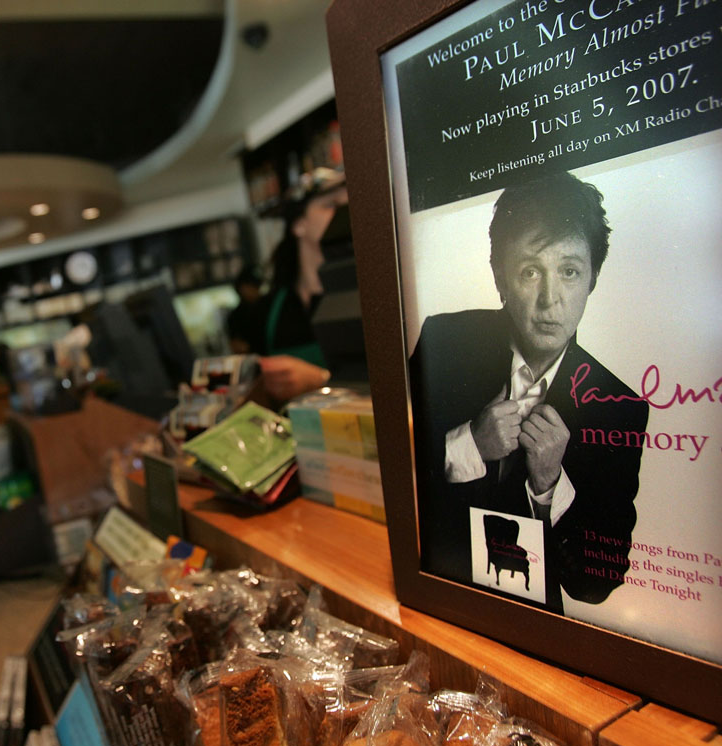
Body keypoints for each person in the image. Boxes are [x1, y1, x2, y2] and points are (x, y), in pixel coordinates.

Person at [408, 171, 649, 614]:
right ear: (500, 276)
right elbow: (395, 481)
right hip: (438, 600)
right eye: (530, 271)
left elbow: (595, 586)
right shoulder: (443, 341)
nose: (550, 299)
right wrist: (468, 444)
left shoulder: (620, 407)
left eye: (570, 271)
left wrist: (549, 485)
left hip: (532, 626)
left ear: (593, 278)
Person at [253, 178, 348, 402]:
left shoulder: (367, 298)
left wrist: (320, 380)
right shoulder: (267, 310)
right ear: (298, 224)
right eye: (332, 205)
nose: (345, 214)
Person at [226, 265, 264, 354]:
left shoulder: (265, 307)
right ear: (241, 288)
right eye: (252, 286)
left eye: (257, 287)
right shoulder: (236, 316)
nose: (256, 291)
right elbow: (237, 346)